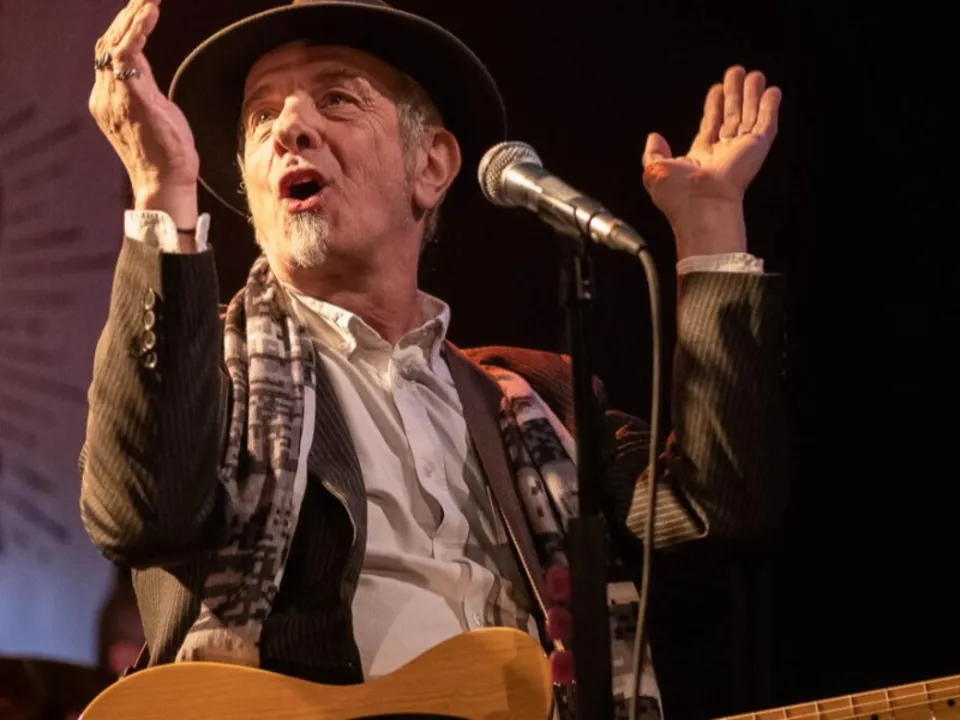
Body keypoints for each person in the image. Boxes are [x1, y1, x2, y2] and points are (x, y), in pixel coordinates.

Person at [80, 0, 788, 716]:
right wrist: (162, 192)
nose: (289, 128)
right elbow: (139, 515)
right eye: (260, 117)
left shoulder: (538, 399)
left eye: (336, 99)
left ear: (432, 164)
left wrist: (710, 226)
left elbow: (716, 513)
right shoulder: (205, 379)